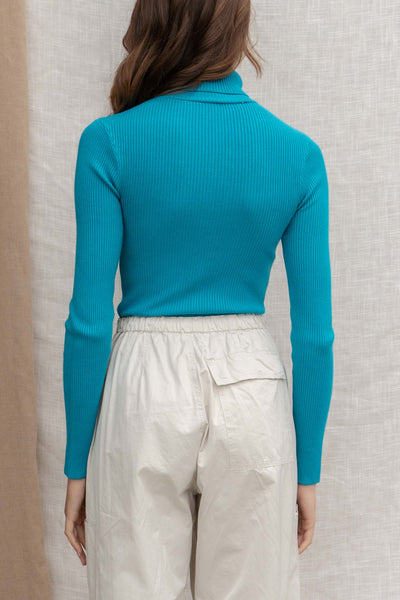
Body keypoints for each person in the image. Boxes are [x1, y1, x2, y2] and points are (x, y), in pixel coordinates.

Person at [63, 0, 334, 598]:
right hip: (252, 387)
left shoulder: (109, 143)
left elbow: (87, 322)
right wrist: (308, 469)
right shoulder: (297, 154)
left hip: (142, 387)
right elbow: (315, 337)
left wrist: (77, 462)